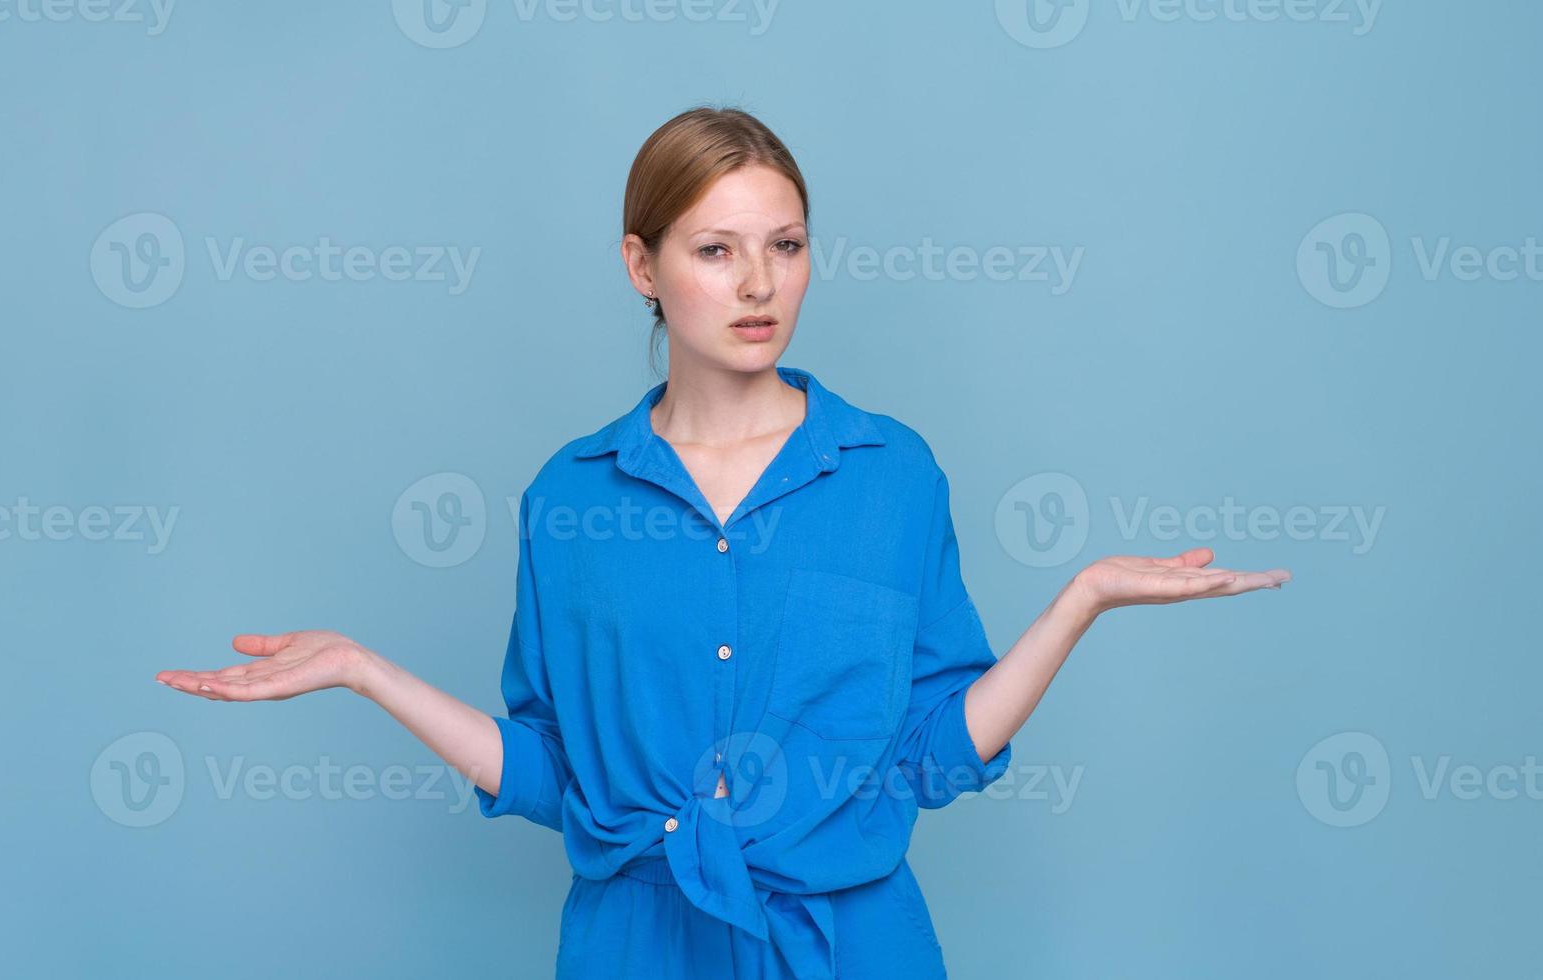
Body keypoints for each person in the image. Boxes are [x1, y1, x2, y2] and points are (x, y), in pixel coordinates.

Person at [152, 106, 1288, 979]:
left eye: (786, 245)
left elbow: (934, 754)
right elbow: (559, 771)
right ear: (641, 266)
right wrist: (366, 670)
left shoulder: (892, 476)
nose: (759, 284)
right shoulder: (569, 498)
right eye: (716, 250)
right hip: (635, 943)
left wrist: (1079, 599)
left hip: (852, 942)